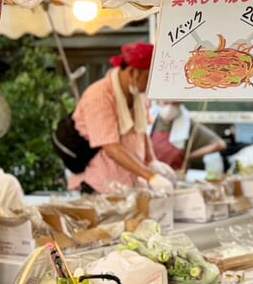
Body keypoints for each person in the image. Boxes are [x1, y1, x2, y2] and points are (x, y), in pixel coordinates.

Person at [68, 42, 176, 195]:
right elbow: (111, 147)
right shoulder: (99, 96)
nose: (150, 84)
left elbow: (142, 132)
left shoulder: (138, 95)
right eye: (148, 78)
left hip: (131, 185)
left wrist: (152, 162)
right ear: (133, 72)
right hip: (100, 186)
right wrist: (150, 176)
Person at [150, 102, 226, 172]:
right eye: (166, 103)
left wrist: (189, 156)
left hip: (176, 175)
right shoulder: (150, 121)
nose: (169, 107)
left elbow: (220, 144)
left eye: (174, 103)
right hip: (150, 173)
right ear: (158, 101)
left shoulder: (187, 124)